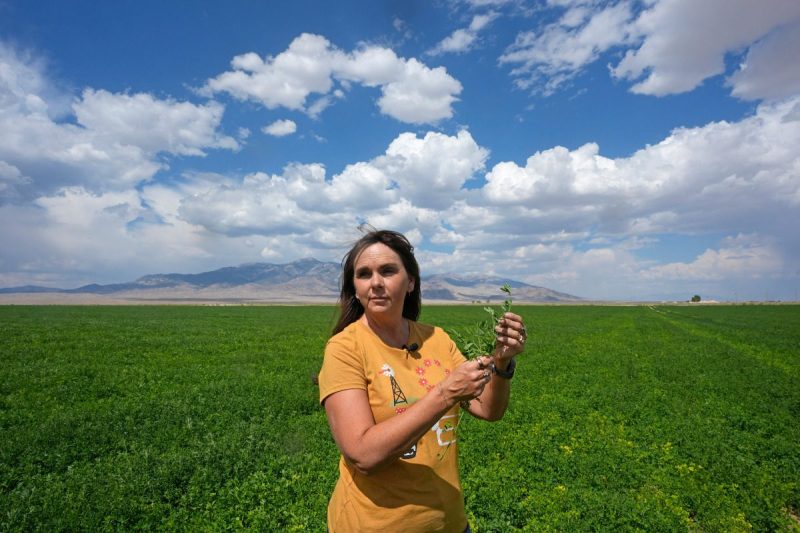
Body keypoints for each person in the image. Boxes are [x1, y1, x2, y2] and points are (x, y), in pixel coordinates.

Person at [318, 229, 527, 532]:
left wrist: (501, 362)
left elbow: (487, 409)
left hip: (449, 523)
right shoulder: (344, 349)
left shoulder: (436, 338)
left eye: (388, 271)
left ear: (411, 281)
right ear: (355, 286)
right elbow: (363, 455)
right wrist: (445, 393)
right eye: (364, 274)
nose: (376, 282)